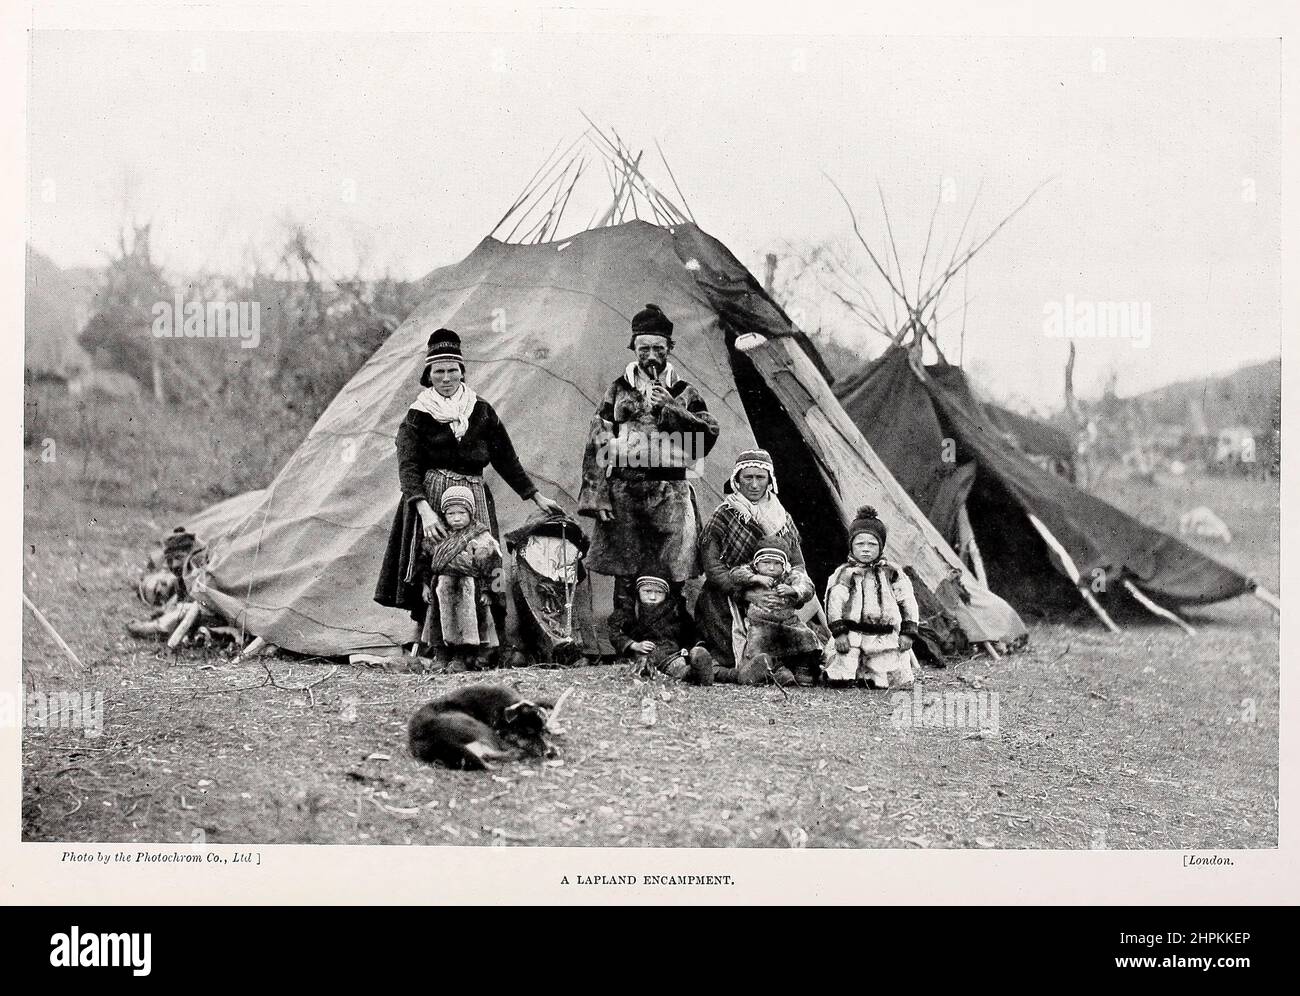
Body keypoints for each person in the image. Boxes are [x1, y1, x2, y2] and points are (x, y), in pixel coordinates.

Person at [375, 328, 562, 657]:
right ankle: (431, 644)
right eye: (439, 371)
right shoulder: (417, 416)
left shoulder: (481, 411)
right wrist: (424, 510)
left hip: (473, 496)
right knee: (434, 564)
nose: (446, 378)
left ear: (462, 371)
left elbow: (506, 459)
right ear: (428, 375)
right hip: (430, 498)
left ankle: (486, 643)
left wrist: (535, 496)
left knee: (483, 562)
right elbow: (408, 467)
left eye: (452, 370)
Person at [578, 303, 720, 628]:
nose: (651, 355)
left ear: (670, 348)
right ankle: (624, 636)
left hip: (671, 490)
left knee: (672, 565)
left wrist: (672, 409)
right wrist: (598, 496)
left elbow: (704, 440)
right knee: (626, 565)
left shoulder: (685, 392)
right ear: (634, 348)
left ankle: (665, 635)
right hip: (625, 489)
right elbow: (598, 439)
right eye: (644, 348)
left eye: (659, 347)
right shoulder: (617, 388)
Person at [696, 448, 826, 686]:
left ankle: (781, 668)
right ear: (736, 479)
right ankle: (749, 670)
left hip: (773, 596)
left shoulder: (782, 519)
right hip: (727, 596)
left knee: (790, 632)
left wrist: (790, 592)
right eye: (748, 477)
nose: (754, 484)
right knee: (730, 650)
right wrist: (745, 591)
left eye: (760, 477)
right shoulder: (723, 515)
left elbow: (797, 564)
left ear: (770, 480)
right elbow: (712, 566)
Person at [822, 505, 920, 689]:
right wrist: (839, 633)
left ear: (881, 546)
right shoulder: (845, 574)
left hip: (884, 635)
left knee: (887, 678)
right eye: (860, 544)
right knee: (842, 674)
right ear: (851, 545)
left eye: (872, 544)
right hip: (852, 635)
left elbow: (908, 602)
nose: (866, 549)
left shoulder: (892, 573)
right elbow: (833, 603)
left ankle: (873, 676)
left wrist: (908, 632)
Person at [419, 486, 503, 669]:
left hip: (469, 587)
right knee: (438, 622)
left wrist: (489, 592)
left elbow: (494, 565)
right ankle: (441, 657)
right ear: (444, 514)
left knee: (466, 624)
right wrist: (425, 585)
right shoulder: (437, 535)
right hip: (440, 588)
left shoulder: (481, 536)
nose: (456, 518)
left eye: (462, 512)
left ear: (470, 512)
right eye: (450, 513)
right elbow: (425, 562)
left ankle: (460, 659)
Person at [726, 547, 823, 686]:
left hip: (788, 622)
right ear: (756, 564)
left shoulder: (789, 576)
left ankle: (803, 669)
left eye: (777, 564)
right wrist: (756, 578)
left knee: (806, 636)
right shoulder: (751, 574)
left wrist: (793, 590)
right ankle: (777, 671)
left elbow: (807, 586)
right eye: (766, 563)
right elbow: (735, 575)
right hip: (760, 624)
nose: (772, 568)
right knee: (759, 645)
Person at [608, 575, 715, 684]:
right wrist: (634, 645)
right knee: (637, 667)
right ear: (638, 591)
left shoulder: (675, 610)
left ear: (666, 594)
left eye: (659, 592)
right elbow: (615, 632)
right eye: (647, 591)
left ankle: (697, 672)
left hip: (670, 655)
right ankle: (692, 675)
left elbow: (689, 632)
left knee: (677, 667)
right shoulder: (630, 611)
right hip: (640, 655)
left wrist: (686, 648)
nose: (653, 597)